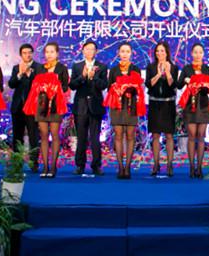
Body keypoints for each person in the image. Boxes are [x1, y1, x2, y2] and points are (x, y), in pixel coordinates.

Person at [24, 42, 70, 178]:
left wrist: (55, 87)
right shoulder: (40, 68)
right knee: (43, 135)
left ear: (57, 53)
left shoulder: (62, 68)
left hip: (55, 105)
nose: (49, 54)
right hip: (42, 105)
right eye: (47, 52)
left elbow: (65, 87)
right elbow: (34, 86)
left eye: (52, 52)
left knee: (54, 135)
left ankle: (53, 166)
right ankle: (45, 166)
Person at [104, 42, 145, 179]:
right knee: (118, 135)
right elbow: (109, 88)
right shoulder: (114, 70)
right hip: (117, 106)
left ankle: (128, 167)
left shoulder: (135, 69)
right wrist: (117, 87)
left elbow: (139, 88)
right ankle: (120, 166)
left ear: (131, 53)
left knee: (130, 135)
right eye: (122, 51)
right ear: (118, 53)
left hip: (131, 106)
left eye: (127, 51)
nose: (125, 54)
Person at [178, 43, 209, 179]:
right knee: (191, 135)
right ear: (191, 54)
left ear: (203, 54)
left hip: (203, 105)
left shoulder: (207, 69)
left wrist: (206, 85)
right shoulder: (187, 69)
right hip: (190, 105)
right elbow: (178, 85)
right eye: (195, 52)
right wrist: (186, 80)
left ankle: (200, 167)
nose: (197, 55)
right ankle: (191, 166)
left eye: (200, 52)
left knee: (201, 136)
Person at [69, 40, 108, 175]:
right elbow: (72, 85)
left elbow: (104, 85)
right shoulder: (77, 66)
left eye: (92, 49)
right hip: (80, 106)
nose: (89, 51)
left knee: (95, 137)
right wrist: (83, 76)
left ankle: (96, 165)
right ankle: (80, 165)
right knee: (81, 137)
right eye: (87, 49)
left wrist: (94, 78)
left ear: (96, 52)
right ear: (83, 51)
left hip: (95, 106)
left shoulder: (102, 67)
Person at [145, 41, 179, 177]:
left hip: (168, 104)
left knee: (169, 135)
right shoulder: (151, 67)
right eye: (157, 51)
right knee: (155, 135)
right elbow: (148, 84)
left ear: (167, 53)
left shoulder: (174, 67)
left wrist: (168, 73)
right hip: (155, 104)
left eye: (162, 51)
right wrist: (159, 74)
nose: (159, 53)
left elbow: (173, 85)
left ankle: (169, 164)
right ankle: (156, 164)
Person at [8, 44, 42, 171]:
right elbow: (11, 84)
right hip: (18, 107)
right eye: (24, 53)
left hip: (32, 107)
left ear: (32, 53)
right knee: (17, 135)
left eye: (29, 52)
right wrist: (20, 74)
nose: (27, 55)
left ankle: (34, 163)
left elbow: (39, 84)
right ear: (20, 55)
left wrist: (28, 75)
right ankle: (17, 162)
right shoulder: (16, 68)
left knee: (33, 135)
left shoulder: (38, 67)